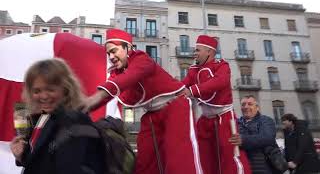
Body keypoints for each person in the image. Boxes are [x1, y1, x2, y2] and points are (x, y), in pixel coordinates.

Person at [81, 28, 203, 174]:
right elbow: (107, 94)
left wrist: (95, 97)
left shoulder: (142, 59)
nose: (111, 56)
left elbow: (129, 77)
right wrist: (82, 108)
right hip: (151, 116)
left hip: (175, 106)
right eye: (108, 53)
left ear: (128, 48)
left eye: (114, 51)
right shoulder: (116, 73)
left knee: (179, 160)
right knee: (144, 161)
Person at [10, 58, 104, 174]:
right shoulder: (41, 119)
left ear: (65, 89)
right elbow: (42, 162)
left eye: (50, 90)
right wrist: (21, 156)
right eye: (37, 91)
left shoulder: (76, 120)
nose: (44, 96)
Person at [181, 35, 251, 174]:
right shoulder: (193, 69)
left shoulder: (222, 65)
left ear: (209, 51)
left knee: (230, 154)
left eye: (197, 50)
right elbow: (181, 86)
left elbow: (220, 81)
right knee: (203, 155)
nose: (194, 53)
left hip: (224, 118)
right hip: (205, 119)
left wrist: (193, 90)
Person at [229, 95, 278, 174]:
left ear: (257, 107)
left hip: (263, 168)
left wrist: (243, 140)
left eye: (250, 104)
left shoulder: (265, 120)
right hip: (243, 168)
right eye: (243, 104)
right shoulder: (236, 123)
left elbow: (268, 137)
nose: (246, 107)